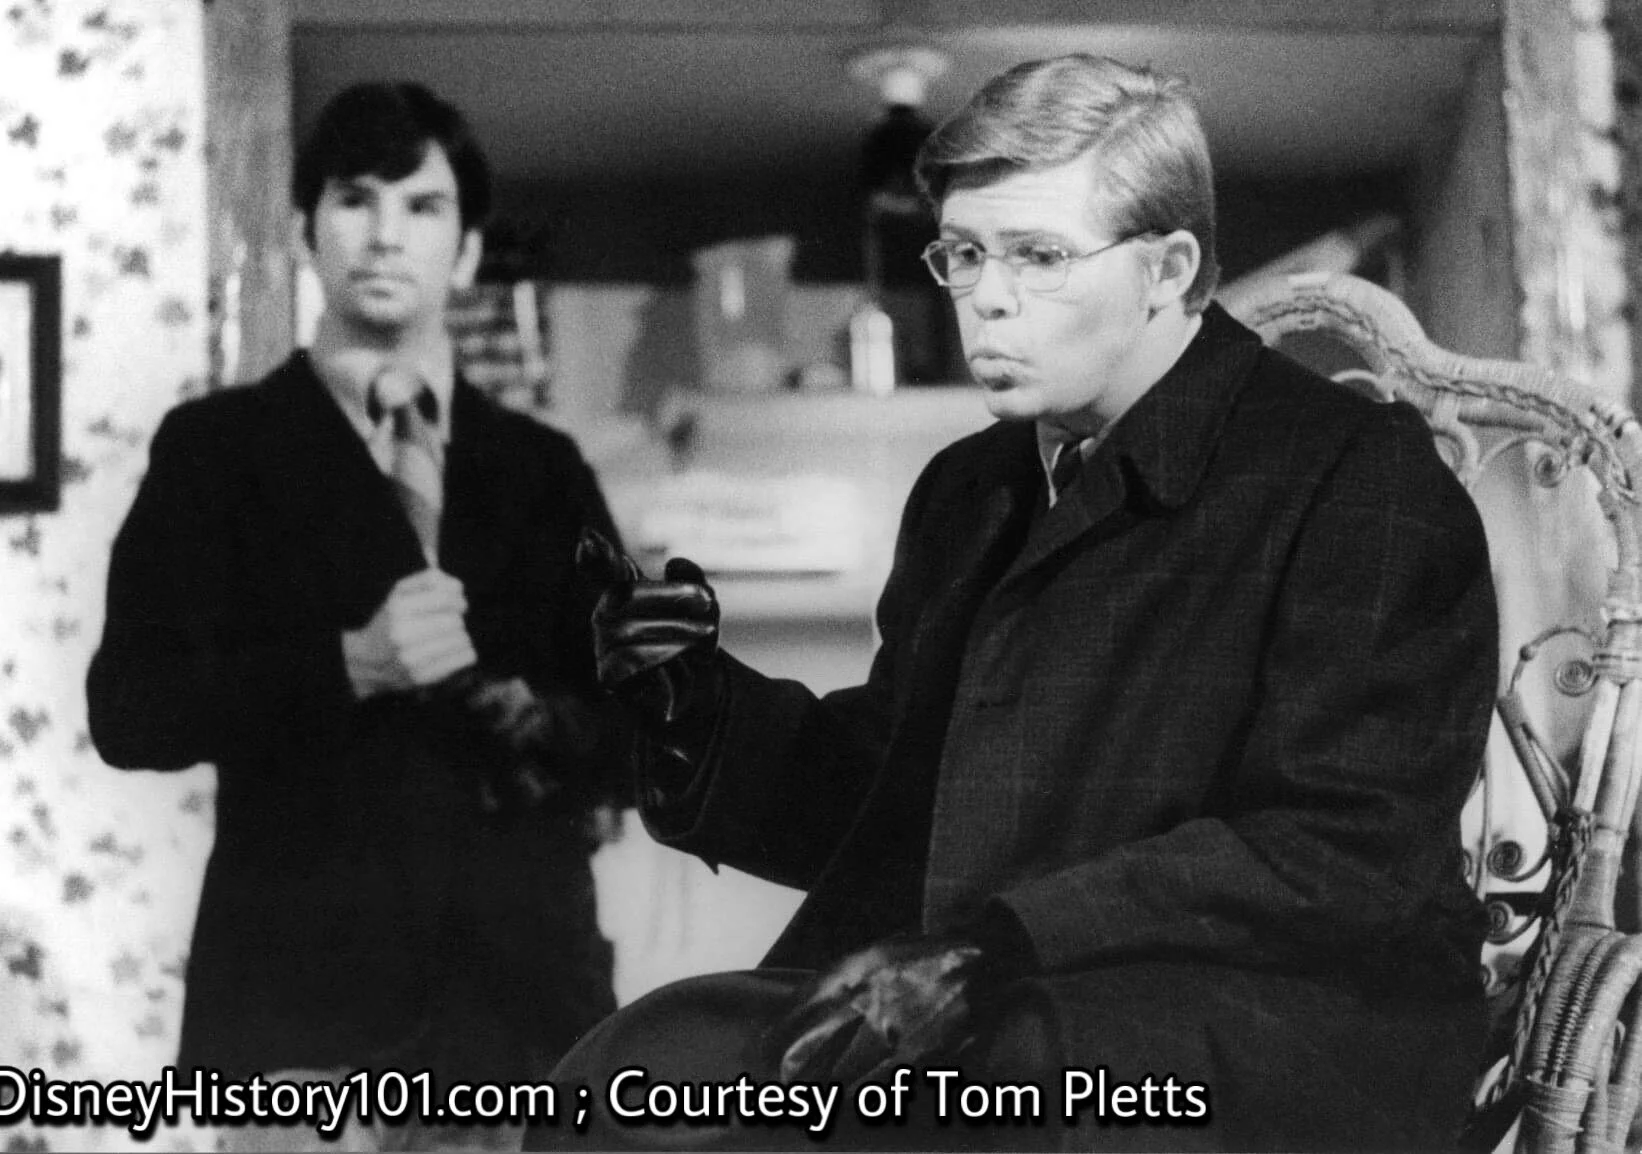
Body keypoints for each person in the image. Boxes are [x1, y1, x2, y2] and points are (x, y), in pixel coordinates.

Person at [550, 53, 1497, 1153]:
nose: (985, 298)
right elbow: (898, 793)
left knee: (955, 1098)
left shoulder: (1355, 478)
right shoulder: (969, 488)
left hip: (1293, 1028)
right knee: (636, 1078)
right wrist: (691, 706)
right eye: (962, 252)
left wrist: (995, 943)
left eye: (1039, 255)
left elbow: (1339, 849)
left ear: (1166, 267)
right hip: (1022, 991)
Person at [87, 81, 628, 1115]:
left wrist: (544, 717)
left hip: (523, 1019)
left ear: (465, 250)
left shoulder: (543, 469)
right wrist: (348, 661)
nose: (385, 235)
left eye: (421, 207)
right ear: (302, 231)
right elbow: (129, 709)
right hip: (300, 1019)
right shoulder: (215, 450)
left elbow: (643, 730)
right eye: (355, 199)